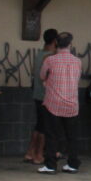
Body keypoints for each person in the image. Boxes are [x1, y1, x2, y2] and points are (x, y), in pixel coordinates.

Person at [38, 31, 81, 174]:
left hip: (53, 103)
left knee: (51, 135)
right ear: (70, 44)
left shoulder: (50, 60)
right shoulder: (77, 61)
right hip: (72, 105)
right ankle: (73, 163)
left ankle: (50, 165)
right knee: (72, 136)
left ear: (56, 43)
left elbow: (42, 76)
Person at [24, 28, 57, 165]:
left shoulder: (39, 55)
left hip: (37, 94)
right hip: (46, 96)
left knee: (39, 124)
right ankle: (38, 154)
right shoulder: (50, 56)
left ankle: (30, 152)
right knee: (45, 126)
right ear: (55, 41)